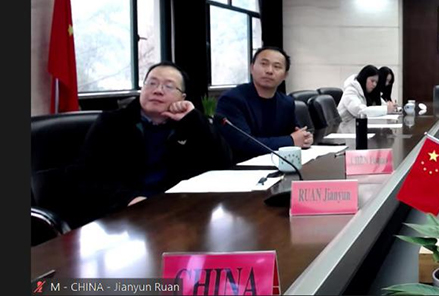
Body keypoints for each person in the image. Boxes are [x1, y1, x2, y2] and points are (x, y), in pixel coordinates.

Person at [75, 62, 232, 224]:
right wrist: (129, 200)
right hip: (122, 215)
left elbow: (223, 163)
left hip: (177, 215)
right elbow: (87, 178)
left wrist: (193, 119)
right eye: (151, 83)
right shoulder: (112, 123)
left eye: (169, 86)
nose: (158, 90)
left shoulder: (189, 125)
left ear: (182, 98)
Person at [216, 47, 312, 163]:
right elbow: (244, 144)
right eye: (264, 64)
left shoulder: (286, 102)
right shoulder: (232, 100)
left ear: (285, 75)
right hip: (241, 167)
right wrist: (291, 141)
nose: (269, 71)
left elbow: (296, 134)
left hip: (275, 164)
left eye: (277, 66)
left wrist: (305, 138)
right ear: (252, 68)